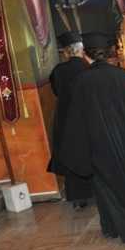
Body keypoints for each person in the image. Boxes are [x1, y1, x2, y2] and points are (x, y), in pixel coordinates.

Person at [60, 32, 125, 250]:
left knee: (111, 189)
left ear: (86, 55)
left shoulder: (81, 82)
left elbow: (76, 121)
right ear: (109, 54)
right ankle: (114, 227)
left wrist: (78, 153)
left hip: (99, 148)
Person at [47, 31, 93, 211]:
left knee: (71, 154)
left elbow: (56, 91)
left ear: (66, 52)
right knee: (91, 152)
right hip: (87, 117)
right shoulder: (89, 68)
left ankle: (77, 197)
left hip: (65, 118)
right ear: (82, 50)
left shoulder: (58, 71)